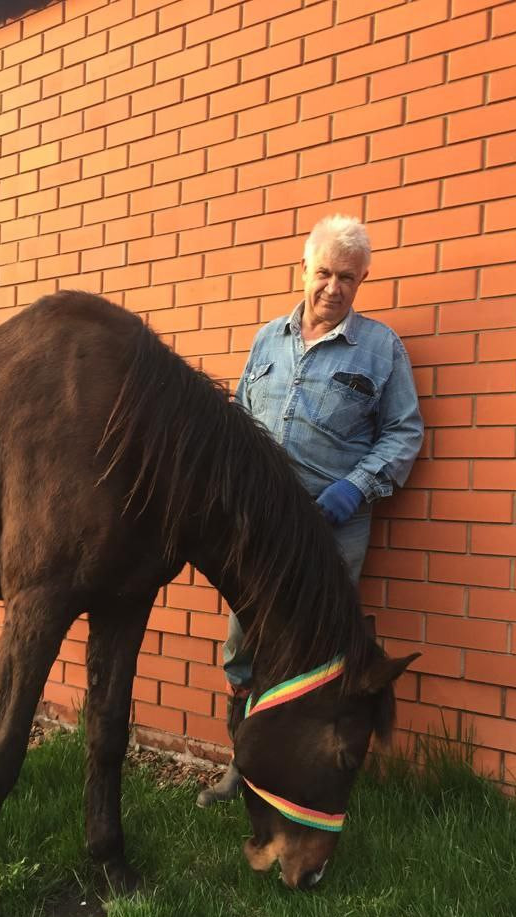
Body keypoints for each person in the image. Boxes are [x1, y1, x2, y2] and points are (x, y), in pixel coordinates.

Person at [197, 214, 424, 808]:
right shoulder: (268, 340)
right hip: (261, 532)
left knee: (315, 655)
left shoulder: (380, 349)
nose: (333, 287)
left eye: (347, 277)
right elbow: (240, 420)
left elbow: (403, 434)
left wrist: (355, 487)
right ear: (303, 271)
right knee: (245, 646)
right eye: (323, 273)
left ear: (363, 279)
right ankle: (241, 765)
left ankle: (306, 772)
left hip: (332, 530)